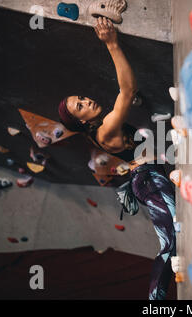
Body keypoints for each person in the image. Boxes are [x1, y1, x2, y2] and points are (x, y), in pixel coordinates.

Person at [57, 17, 176, 300]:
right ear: (81, 122)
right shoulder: (105, 130)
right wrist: (111, 43)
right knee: (171, 242)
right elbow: (127, 91)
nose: (87, 102)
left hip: (151, 176)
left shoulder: (103, 128)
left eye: (83, 98)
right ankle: (155, 301)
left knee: (177, 233)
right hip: (148, 180)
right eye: (80, 106)